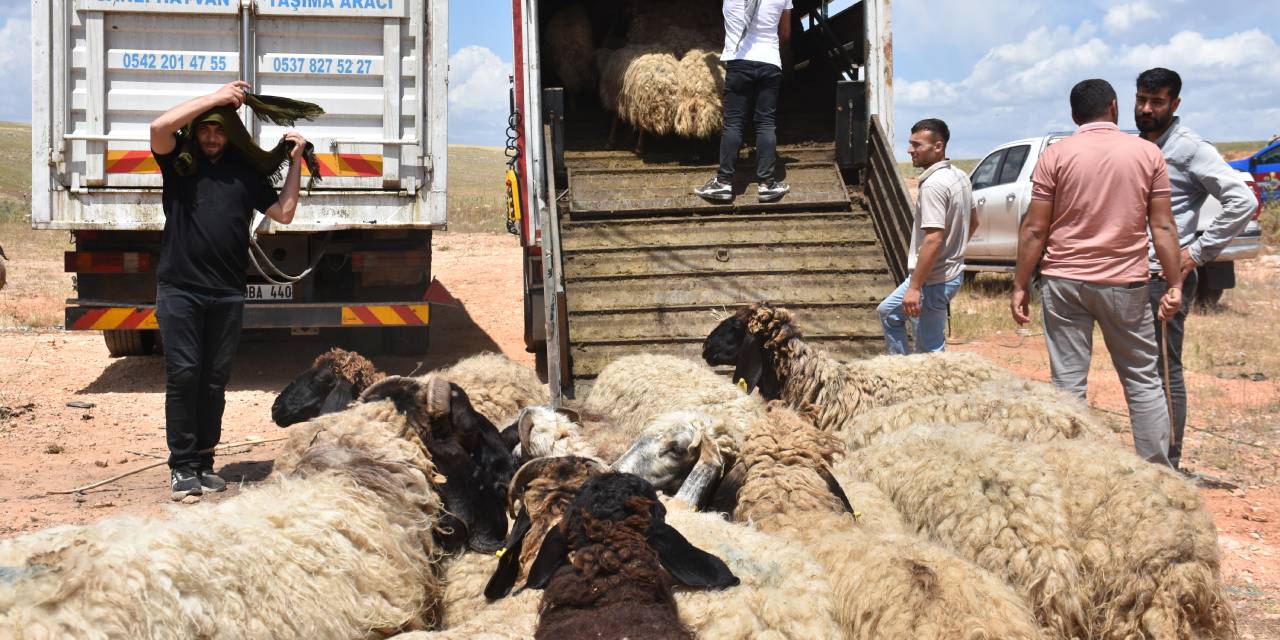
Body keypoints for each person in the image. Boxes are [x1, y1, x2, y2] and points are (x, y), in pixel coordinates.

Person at [1011, 78, 1183, 466]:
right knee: (1142, 380)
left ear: (1074, 116)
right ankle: (1156, 471)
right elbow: (1164, 226)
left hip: (1064, 282)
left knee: (1067, 385)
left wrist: (1020, 284)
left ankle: (1075, 469)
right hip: (1126, 283)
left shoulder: (1055, 156)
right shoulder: (1147, 154)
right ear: (1115, 107)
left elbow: (1036, 228)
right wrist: (1175, 282)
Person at [149, 80, 307, 496]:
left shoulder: (244, 177)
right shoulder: (181, 167)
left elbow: (285, 213)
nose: (212, 137)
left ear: (231, 134)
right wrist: (217, 98)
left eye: (219, 130)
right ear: (195, 133)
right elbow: (159, 127)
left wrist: (295, 161)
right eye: (205, 129)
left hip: (226, 293)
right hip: (180, 289)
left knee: (214, 380)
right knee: (184, 375)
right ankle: (182, 466)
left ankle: (203, 460)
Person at [1134, 67, 1257, 470]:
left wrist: (1197, 253)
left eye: (1157, 102)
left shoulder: (1189, 148)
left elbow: (1242, 201)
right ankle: (1148, 457)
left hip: (1164, 280)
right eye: (1141, 100)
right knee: (1140, 375)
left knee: (1165, 374)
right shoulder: (1137, 146)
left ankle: (1169, 464)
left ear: (1175, 104)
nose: (1146, 109)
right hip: (1131, 279)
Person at [876, 118, 978, 354]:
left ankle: (926, 387)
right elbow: (974, 221)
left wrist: (915, 287)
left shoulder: (933, 185)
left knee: (930, 350)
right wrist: (955, 252)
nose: (910, 150)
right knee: (889, 313)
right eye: (910, 144)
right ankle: (901, 373)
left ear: (938, 146)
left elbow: (933, 239)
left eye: (917, 145)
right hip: (945, 273)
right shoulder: (960, 176)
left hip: (933, 280)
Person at [694, 0, 793, 203]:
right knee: (765, 123)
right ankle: (767, 184)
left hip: (739, 63)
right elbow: (785, 34)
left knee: (733, 124)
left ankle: (723, 183)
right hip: (770, 62)